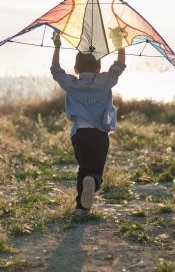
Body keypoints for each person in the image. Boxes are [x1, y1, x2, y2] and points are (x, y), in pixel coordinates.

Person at [49, 29, 126, 216]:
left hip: (80, 135)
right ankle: (92, 184)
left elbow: (56, 70)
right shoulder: (105, 81)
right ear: (99, 69)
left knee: (83, 168)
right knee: (95, 170)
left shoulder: (72, 84)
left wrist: (57, 46)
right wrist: (119, 43)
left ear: (76, 69)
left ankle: (81, 208)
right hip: (100, 135)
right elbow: (119, 65)